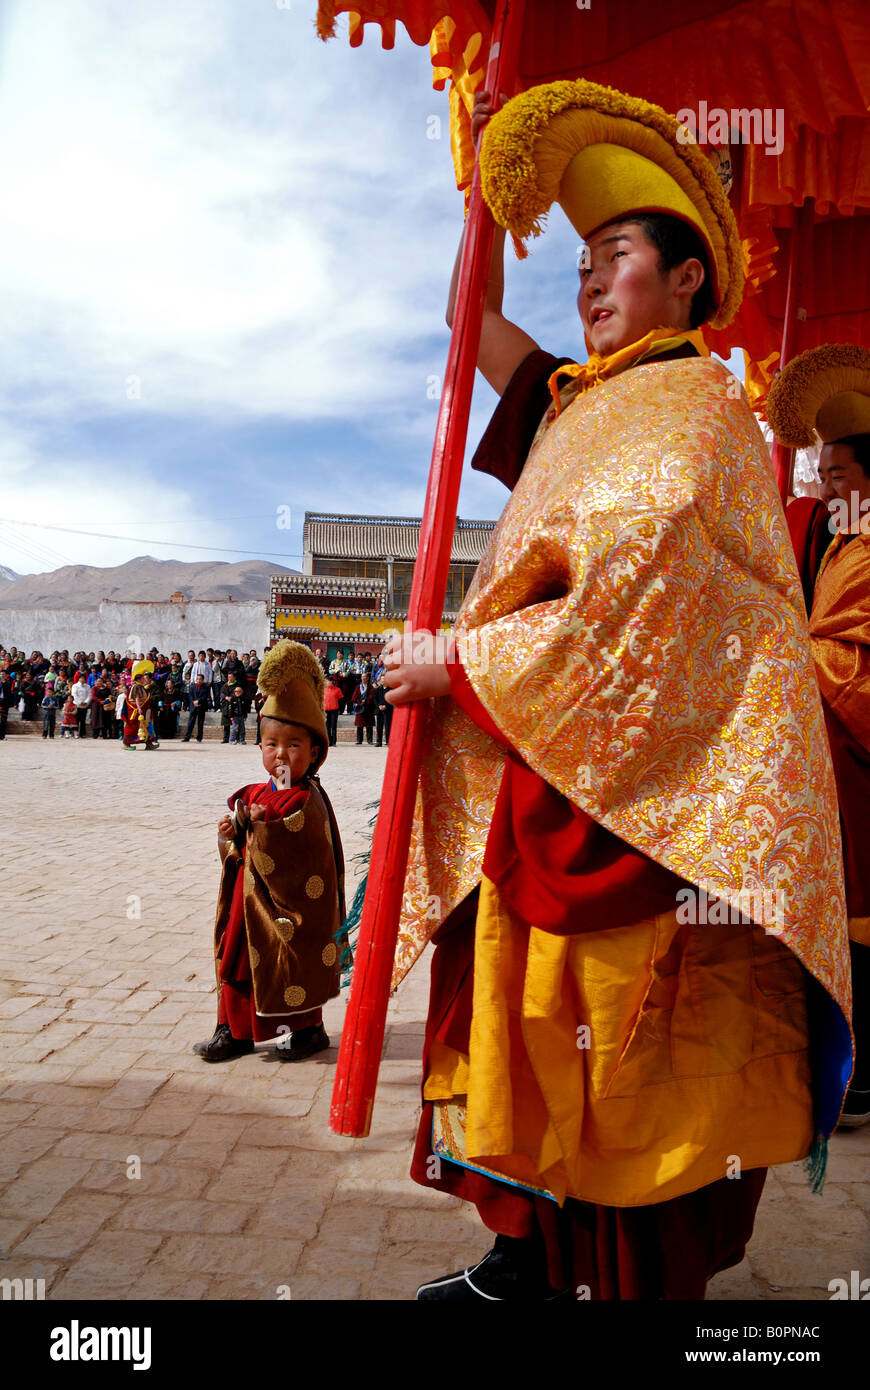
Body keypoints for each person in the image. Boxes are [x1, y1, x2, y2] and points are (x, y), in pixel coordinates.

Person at [380, 81, 852, 1302]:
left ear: (690, 280)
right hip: (546, 771)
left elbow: (635, 614)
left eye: (619, 257)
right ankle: (519, 1256)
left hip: (651, 804)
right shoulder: (578, 402)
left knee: (626, 1061)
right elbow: (460, 313)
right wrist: (478, 181)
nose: (589, 283)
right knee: (519, 1024)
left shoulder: (697, 416)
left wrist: (455, 659)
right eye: (580, 262)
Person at [768, 344, 870, 1128]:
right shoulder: (834, 545)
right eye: (823, 476)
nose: (826, 490)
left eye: (838, 477)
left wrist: (798, 652)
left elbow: (853, 662)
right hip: (827, 761)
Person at [193, 640, 346, 1063]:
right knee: (236, 959)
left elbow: (298, 844)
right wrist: (230, 834)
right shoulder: (256, 793)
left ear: (314, 752)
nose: (281, 753)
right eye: (271, 743)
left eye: (293, 745)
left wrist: (260, 829)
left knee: (291, 959)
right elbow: (236, 844)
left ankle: (306, 1030)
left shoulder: (306, 799)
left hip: (288, 907)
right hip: (248, 901)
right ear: (259, 746)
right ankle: (234, 1031)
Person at [351, 668, 375, 745]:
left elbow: (372, 696)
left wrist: (366, 701)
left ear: (368, 678)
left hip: (368, 708)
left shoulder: (371, 687)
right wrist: (359, 702)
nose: (364, 678)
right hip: (360, 708)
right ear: (361, 678)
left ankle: (369, 740)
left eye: (365, 677)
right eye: (362, 676)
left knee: (369, 725)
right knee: (359, 725)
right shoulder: (358, 687)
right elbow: (354, 697)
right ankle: (359, 740)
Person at [182, 675, 208, 743]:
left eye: (200, 679)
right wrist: (193, 702)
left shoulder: (205, 687)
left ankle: (199, 738)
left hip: (201, 706)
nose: (199, 680)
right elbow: (190, 696)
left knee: (200, 723)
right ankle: (187, 737)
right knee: (190, 722)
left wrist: (198, 701)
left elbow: (205, 697)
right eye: (197, 679)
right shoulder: (192, 687)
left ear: (202, 680)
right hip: (193, 707)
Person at [373, 674, 392, 747]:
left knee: (388, 726)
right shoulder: (378, 689)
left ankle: (388, 741)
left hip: (388, 710)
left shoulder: (390, 689)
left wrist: (386, 706)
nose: (382, 680)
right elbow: (375, 699)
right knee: (379, 727)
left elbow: (391, 699)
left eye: (384, 679)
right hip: (379, 710)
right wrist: (379, 706)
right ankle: (379, 741)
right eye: (381, 679)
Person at [71, 673, 92, 739]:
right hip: (77, 705)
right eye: (81, 678)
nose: (82, 679)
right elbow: (74, 695)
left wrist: (86, 702)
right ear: (79, 679)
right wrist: (80, 702)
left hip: (85, 706)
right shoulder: (75, 686)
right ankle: (75, 733)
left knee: (83, 720)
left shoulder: (88, 686)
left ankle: (82, 733)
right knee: (76, 720)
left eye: (83, 678)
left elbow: (89, 695)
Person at [324, 674, 341, 747]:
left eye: (328, 681)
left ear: (331, 682)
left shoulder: (337, 690)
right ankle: (329, 741)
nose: (326, 682)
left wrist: (339, 709)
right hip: (326, 710)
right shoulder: (323, 689)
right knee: (327, 726)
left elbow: (341, 700)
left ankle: (334, 742)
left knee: (333, 726)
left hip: (334, 710)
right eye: (326, 681)